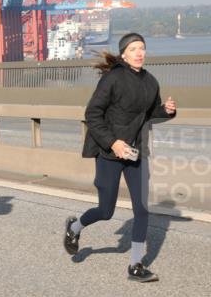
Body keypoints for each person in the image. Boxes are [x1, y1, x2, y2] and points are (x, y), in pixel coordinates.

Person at [63, 33, 177, 282]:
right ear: (124, 53)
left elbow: (150, 113)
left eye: (142, 48)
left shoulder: (150, 81)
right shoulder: (113, 78)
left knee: (142, 209)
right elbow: (93, 113)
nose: (139, 53)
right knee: (106, 211)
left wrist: (166, 111)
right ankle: (74, 228)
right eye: (134, 48)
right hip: (109, 152)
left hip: (135, 153)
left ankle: (135, 266)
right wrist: (113, 143)